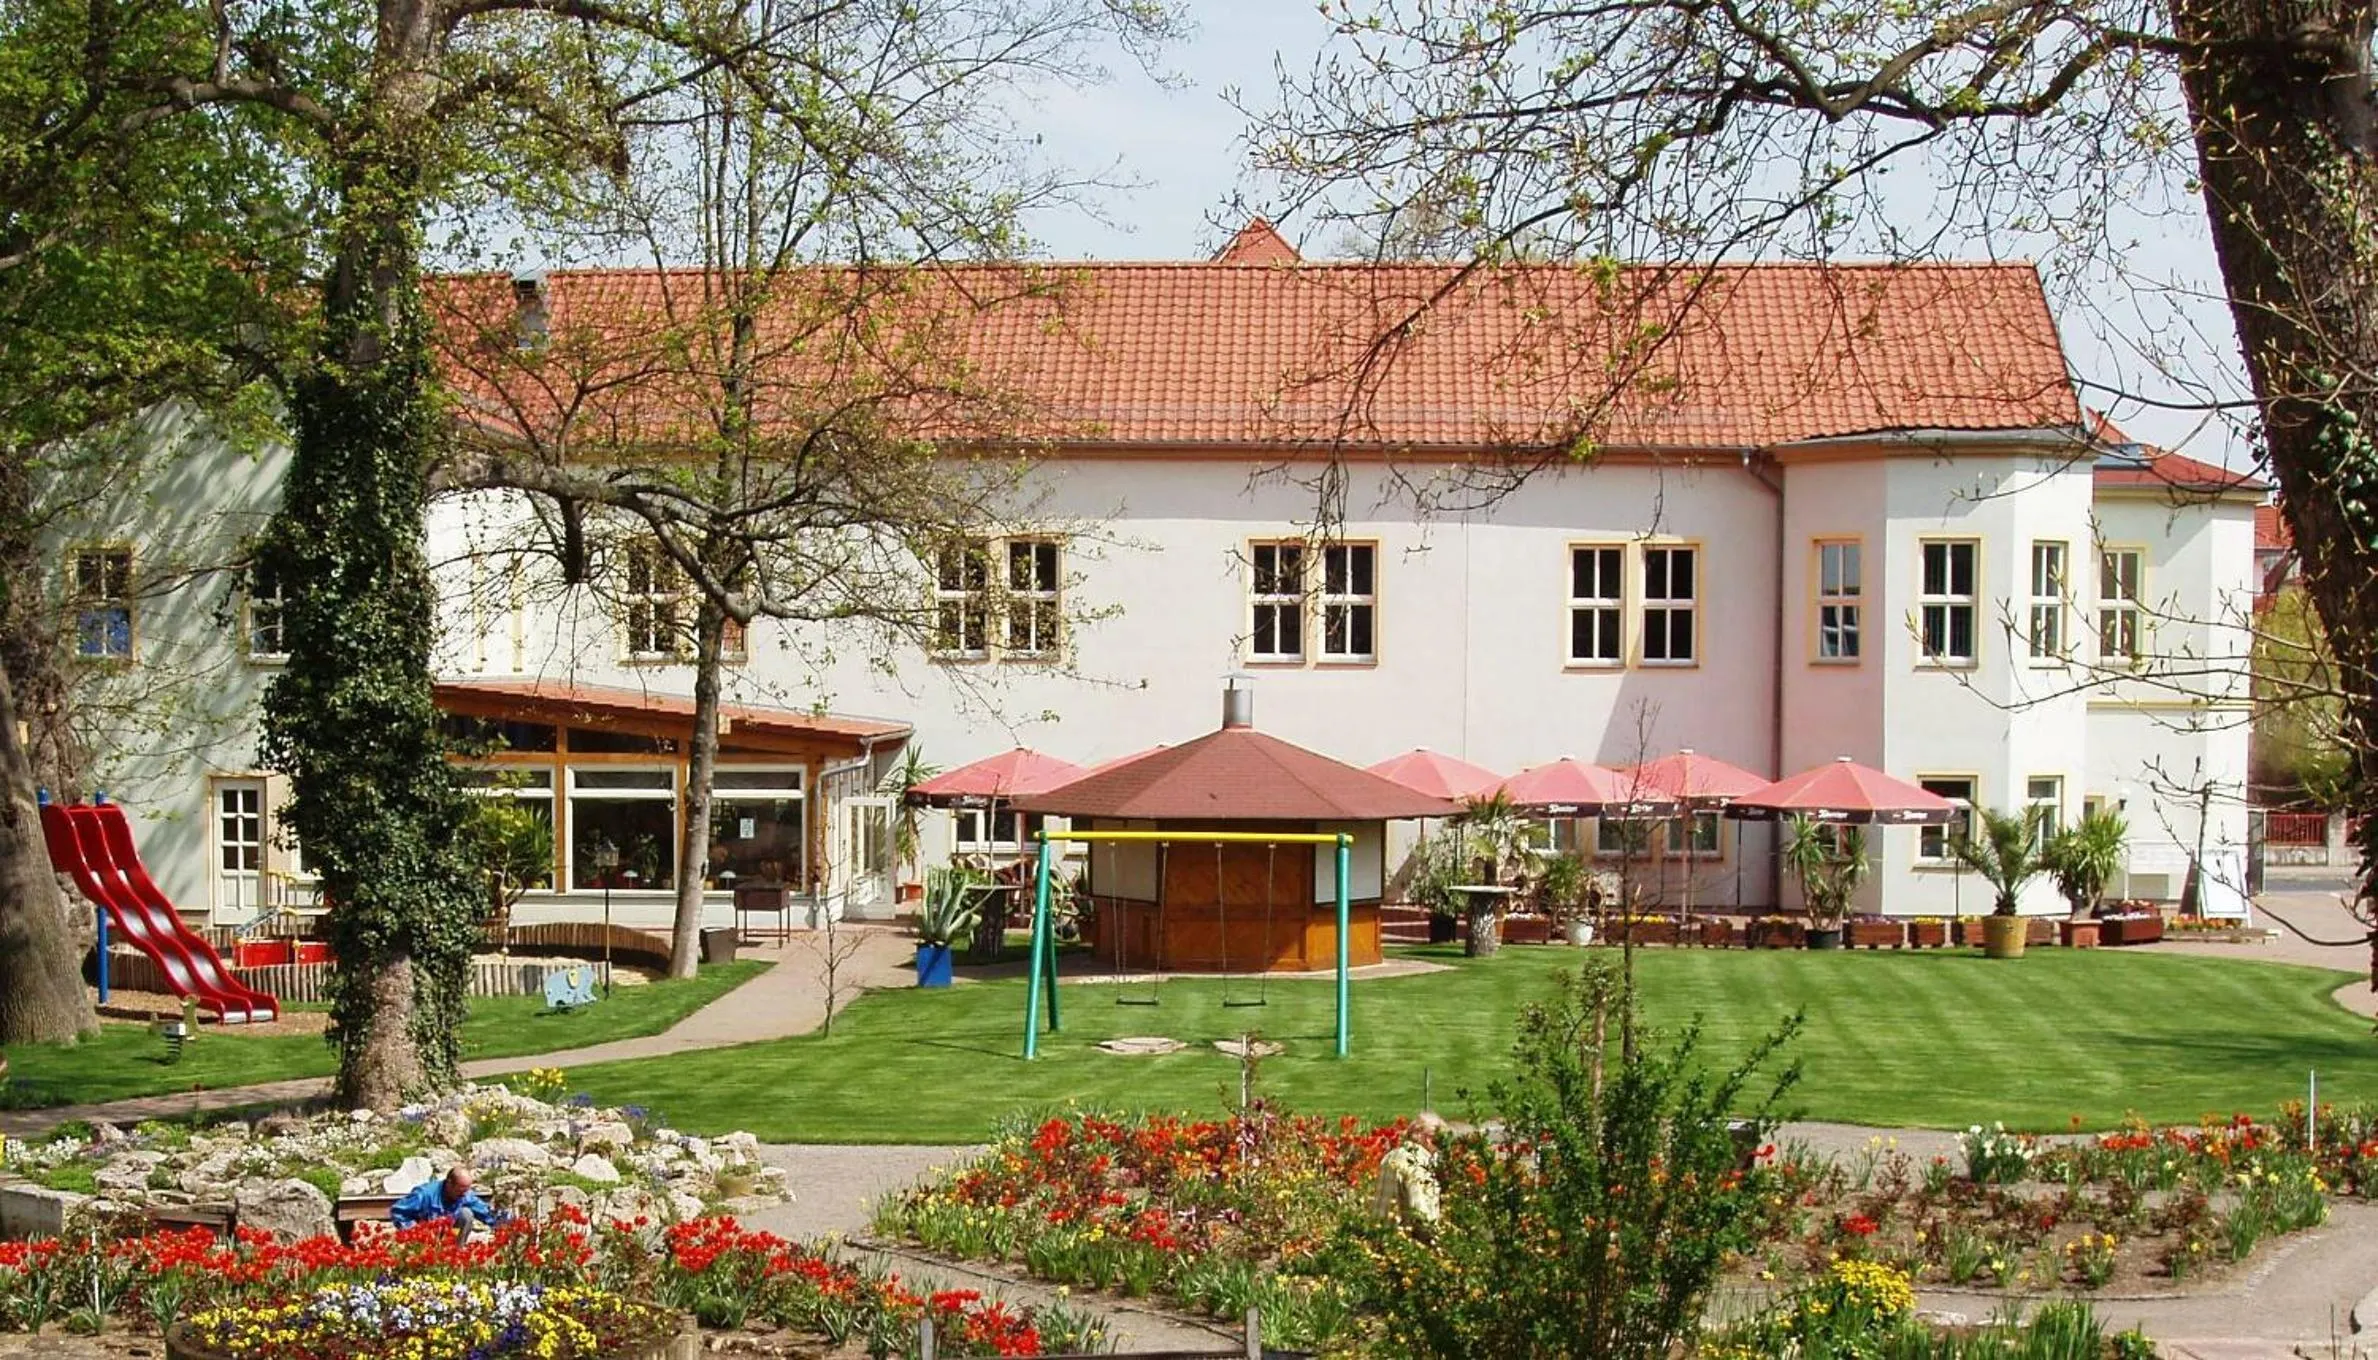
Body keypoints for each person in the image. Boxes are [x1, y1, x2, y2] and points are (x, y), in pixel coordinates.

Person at [390, 1166, 506, 1240]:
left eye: (466, 1191)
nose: (464, 1195)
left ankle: (456, 1254)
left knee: (466, 1214)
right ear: (449, 1183)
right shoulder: (424, 1195)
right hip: (425, 1237)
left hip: (450, 1235)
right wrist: (416, 1231)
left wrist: (506, 1225)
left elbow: (487, 1214)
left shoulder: (466, 1195)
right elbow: (398, 1211)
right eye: (460, 1191)